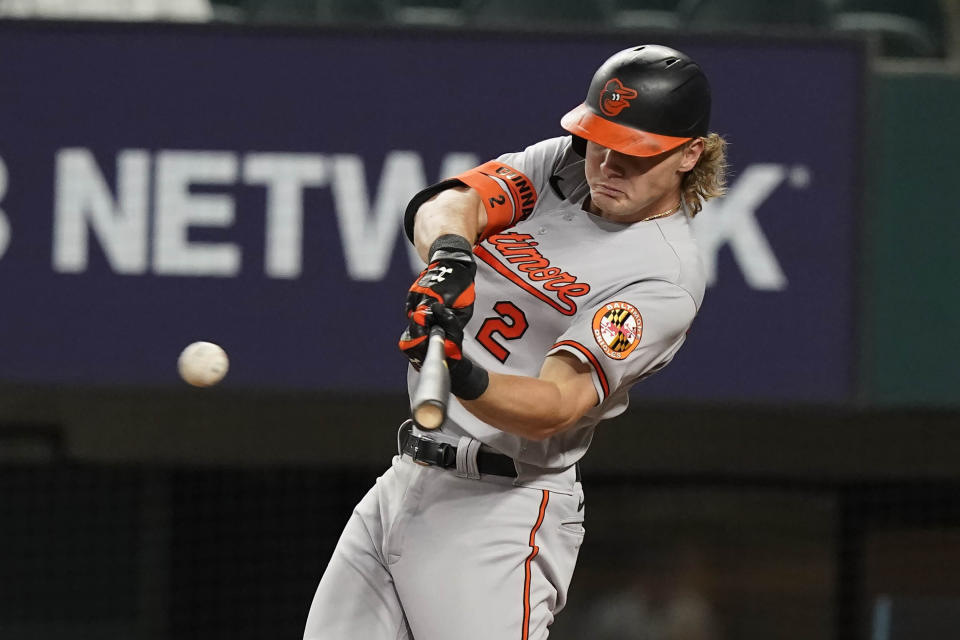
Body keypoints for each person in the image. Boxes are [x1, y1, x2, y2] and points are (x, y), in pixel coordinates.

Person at [304, 43, 728, 640]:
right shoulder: (566, 164)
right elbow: (452, 202)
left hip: (501, 507)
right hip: (408, 476)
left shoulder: (663, 275)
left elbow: (555, 406)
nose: (607, 163)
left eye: (634, 153)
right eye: (601, 139)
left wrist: (461, 370)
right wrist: (450, 254)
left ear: (690, 155)